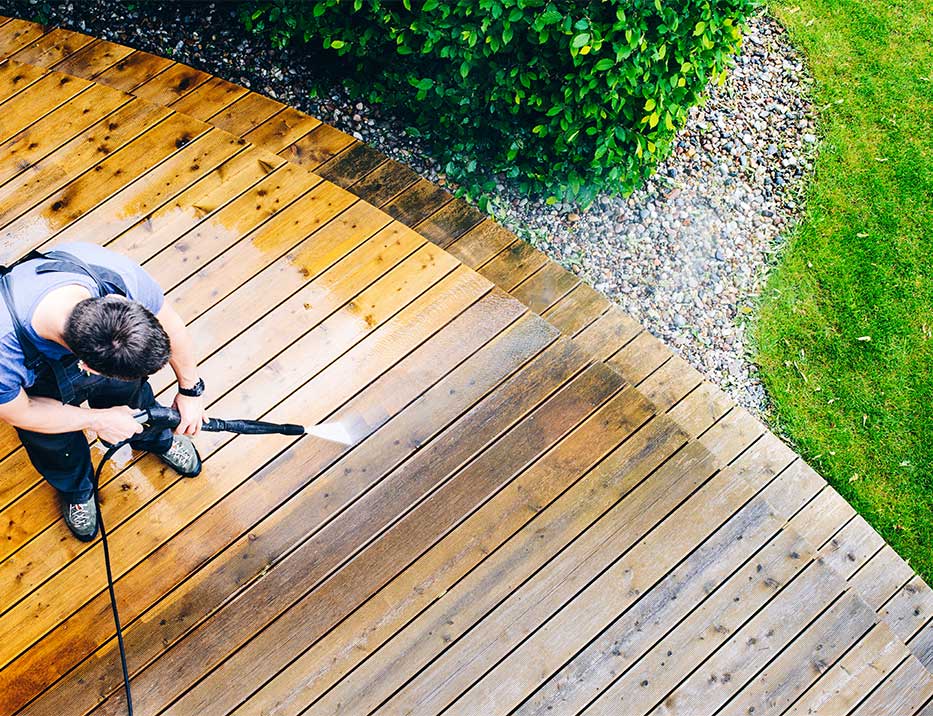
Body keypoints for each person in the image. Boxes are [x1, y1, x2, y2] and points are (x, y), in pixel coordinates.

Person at [0, 242, 206, 542]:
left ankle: (155, 439)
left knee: (135, 400)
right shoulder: (3, 351)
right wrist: (96, 420)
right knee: (54, 445)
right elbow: (21, 412)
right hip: (35, 394)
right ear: (88, 367)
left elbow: (170, 324)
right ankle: (77, 489)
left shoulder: (113, 275)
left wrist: (191, 390)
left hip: (93, 361)